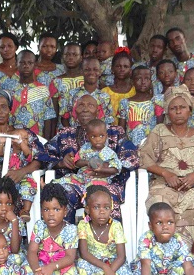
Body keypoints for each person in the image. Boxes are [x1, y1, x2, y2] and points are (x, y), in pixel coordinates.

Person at [139, 87, 194, 258]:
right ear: (167, 112)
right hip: (164, 185)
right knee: (159, 204)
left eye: (182, 107)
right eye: (173, 108)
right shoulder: (159, 132)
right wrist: (166, 174)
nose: (178, 111)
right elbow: (144, 158)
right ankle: (163, 256)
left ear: (190, 110)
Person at [0, 90, 49, 252]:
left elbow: (40, 158)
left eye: (3, 107)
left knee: (24, 191)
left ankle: (11, 247)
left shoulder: (23, 133)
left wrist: (22, 172)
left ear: (10, 110)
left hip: (20, 183)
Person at [47, 94, 139, 225]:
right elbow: (44, 155)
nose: (85, 109)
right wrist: (60, 163)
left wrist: (106, 169)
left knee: (104, 198)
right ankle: (66, 236)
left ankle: (108, 237)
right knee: (61, 194)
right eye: (81, 105)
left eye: (90, 105)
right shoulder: (65, 134)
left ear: (98, 111)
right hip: (77, 182)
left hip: (107, 183)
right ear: (75, 112)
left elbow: (132, 157)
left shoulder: (114, 132)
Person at [22, 183, 79, 275]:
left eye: (56, 209)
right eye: (46, 209)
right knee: (24, 270)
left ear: (65, 211)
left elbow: (70, 257)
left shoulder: (70, 230)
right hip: (41, 264)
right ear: (41, 211)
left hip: (61, 266)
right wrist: (36, 270)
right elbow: (32, 251)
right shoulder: (39, 226)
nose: (51, 214)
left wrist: (51, 267)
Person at [76, 185, 132, 275]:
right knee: (81, 265)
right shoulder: (83, 225)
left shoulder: (116, 226)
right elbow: (84, 253)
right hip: (94, 262)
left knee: (125, 273)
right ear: (87, 209)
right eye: (96, 207)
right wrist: (105, 268)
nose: (102, 212)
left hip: (113, 263)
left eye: (106, 207)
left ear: (111, 209)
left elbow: (121, 257)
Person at [57, 119, 122, 188]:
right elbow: (76, 163)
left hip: (99, 177)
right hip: (82, 176)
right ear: (88, 137)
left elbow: (116, 169)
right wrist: (87, 162)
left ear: (106, 136)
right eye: (93, 136)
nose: (98, 140)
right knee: (65, 180)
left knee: (94, 185)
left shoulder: (109, 153)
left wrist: (102, 169)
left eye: (101, 136)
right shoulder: (85, 148)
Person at [10, 49, 56, 140]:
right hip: (14, 140)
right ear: (16, 64)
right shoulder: (10, 89)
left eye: (30, 63)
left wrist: (46, 142)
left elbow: (48, 118)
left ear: (35, 65)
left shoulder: (43, 90)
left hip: (37, 140)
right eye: (22, 62)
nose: (26, 66)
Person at [0, 128, 37, 220]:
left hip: (23, 178)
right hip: (8, 177)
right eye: (21, 138)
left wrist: (21, 142)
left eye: (26, 139)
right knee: (2, 189)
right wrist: (1, 142)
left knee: (29, 186)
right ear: (13, 141)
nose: (24, 141)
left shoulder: (24, 152)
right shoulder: (8, 150)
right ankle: (4, 209)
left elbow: (29, 155)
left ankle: (26, 210)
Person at [61, 57, 114, 126]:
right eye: (87, 70)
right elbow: (64, 118)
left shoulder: (105, 97)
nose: (91, 73)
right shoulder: (71, 94)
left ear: (100, 72)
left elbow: (108, 121)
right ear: (81, 71)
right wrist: (71, 132)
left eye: (95, 69)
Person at [118, 66, 164, 145]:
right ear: (132, 82)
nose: (143, 82)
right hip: (131, 147)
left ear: (151, 81)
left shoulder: (156, 101)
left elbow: (160, 127)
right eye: (139, 79)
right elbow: (121, 130)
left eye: (147, 78)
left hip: (151, 146)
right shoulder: (124, 103)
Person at [52, 42, 84, 122]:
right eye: (67, 54)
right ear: (62, 57)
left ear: (81, 58)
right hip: (63, 126)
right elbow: (54, 111)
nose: (71, 57)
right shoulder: (56, 81)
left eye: (75, 55)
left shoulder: (88, 79)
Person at [101, 49, 136, 118]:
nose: (122, 69)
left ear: (130, 70)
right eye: (118, 66)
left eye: (125, 66)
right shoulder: (105, 92)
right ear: (112, 68)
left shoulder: (135, 91)